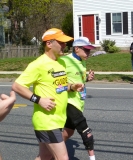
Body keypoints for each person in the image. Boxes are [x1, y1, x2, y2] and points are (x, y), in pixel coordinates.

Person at [12, 28, 83, 160]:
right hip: (47, 121)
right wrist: (39, 100)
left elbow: (59, 87)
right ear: (49, 44)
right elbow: (17, 86)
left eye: (65, 42)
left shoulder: (60, 62)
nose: (64, 45)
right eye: (61, 42)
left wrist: (72, 87)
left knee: (44, 157)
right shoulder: (38, 64)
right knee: (62, 158)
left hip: (57, 119)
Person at [57, 37, 96, 160]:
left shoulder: (82, 60)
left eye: (90, 51)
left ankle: (50, 153)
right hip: (68, 102)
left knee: (69, 132)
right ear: (77, 48)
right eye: (86, 50)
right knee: (86, 131)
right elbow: (57, 86)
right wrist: (72, 87)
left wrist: (87, 79)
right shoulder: (63, 61)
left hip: (78, 102)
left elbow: (79, 79)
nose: (88, 53)